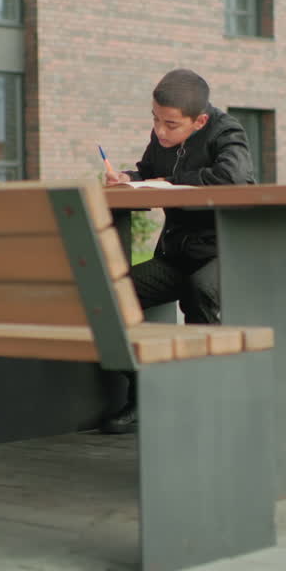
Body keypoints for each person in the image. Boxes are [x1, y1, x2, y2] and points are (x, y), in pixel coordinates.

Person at [101, 68, 255, 434]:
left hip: (220, 252)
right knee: (111, 293)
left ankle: (211, 408)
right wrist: (127, 179)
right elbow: (147, 173)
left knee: (203, 293)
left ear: (199, 120)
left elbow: (233, 180)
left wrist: (167, 182)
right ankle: (143, 392)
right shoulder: (163, 136)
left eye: (170, 125)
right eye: (155, 120)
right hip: (175, 255)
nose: (160, 131)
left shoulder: (226, 131)